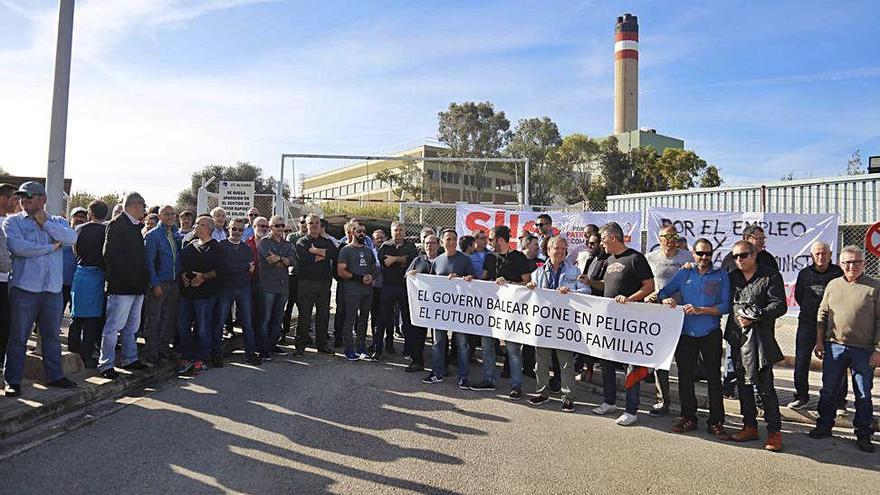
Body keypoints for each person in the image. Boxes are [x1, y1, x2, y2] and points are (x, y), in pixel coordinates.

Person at [2, 181, 78, 396]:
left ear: (42, 199)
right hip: (24, 289)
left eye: (30, 196)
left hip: (52, 290)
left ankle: (55, 376)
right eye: (22, 197)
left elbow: (72, 238)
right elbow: (19, 248)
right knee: (19, 337)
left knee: (52, 336)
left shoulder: (56, 221)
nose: (24, 200)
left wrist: (46, 225)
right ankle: (13, 380)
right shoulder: (13, 222)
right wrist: (50, 247)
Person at [653, 238, 731, 440]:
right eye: (700, 253)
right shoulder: (684, 272)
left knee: (714, 378)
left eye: (708, 254)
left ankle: (716, 421)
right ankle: (688, 417)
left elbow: (724, 306)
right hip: (686, 333)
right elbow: (663, 292)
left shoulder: (721, 275)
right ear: (693, 254)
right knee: (685, 378)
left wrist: (701, 310)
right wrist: (666, 299)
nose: (704, 257)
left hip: (710, 332)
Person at [809, 246, 880, 453]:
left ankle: (864, 433)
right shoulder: (833, 285)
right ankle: (824, 425)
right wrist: (820, 342)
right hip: (834, 348)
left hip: (863, 350)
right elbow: (822, 314)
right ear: (840, 264)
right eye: (847, 262)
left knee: (863, 393)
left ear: (863, 264)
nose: (852, 266)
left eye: (856, 262)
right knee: (828, 390)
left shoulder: (874, 287)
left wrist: (877, 349)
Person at [724, 240, 787, 452]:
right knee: (742, 386)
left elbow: (780, 305)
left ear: (754, 255)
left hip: (760, 340)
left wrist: (756, 315)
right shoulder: (732, 277)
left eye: (743, 255)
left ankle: (774, 432)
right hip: (737, 339)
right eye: (735, 256)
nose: (738, 260)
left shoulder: (770, 275)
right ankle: (749, 426)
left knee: (765, 388)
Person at [592, 222, 654, 426]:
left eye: (602, 239)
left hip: (631, 321)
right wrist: (588, 282)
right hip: (610, 320)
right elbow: (607, 285)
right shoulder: (608, 259)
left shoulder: (635, 258)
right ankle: (609, 401)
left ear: (612, 238)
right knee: (606, 360)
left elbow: (649, 286)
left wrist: (630, 299)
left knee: (631, 365)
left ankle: (631, 409)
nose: (601, 243)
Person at [526, 236, 590, 411]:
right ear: (548, 250)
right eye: (557, 248)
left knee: (566, 362)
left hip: (565, 324)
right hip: (544, 323)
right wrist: (530, 288)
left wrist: (571, 292)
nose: (561, 252)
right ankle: (542, 392)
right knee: (541, 360)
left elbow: (586, 291)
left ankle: (568, 397)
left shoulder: (575, 271)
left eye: (563, 249)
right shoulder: (537, 273)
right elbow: (531, 295)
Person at [470, 226, 532, 397]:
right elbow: (483, 280)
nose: (488, 243)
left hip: (512, 311)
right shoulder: (490, 257)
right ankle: (488, 380)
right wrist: (471, 281)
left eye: (491, 239)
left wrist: (509, 283)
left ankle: (516, 385)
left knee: (512, 349)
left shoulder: (519, 258)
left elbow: (528, 283)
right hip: (491, 310)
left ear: (500, 240)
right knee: (487, 345)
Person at [720, 224, 779, 398]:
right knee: (733, 357)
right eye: (758, 239)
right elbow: (721, 285)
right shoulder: (730, 260)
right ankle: (729, 388)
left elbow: (775, 297)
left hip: (762, 325)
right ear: (746, 239)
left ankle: (759, 395)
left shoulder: (768, 261)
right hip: (737, 324)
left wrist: (759, 314)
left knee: (761, 362)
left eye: (763, 239)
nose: (762, 242)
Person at [98, 192, 149, 379]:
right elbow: (111, 256)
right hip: (122, 287)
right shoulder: (117, 224)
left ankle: (130, 358)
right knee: (113, 327)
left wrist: (141, 281)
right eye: (143, 205)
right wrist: (130, 278)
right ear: (135, 205)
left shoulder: (136, 227)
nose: (144, 209)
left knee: (132, 327)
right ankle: (106, 364)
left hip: (136, 287)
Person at [644, 225, 693, 417]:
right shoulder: (650, 258)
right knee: (660, 361)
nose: (670, 240)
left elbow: (692, 283)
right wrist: (649, 296)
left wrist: (677, 298)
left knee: (684, 361)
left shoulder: (688, 257)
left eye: (674, 236)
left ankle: (687, 405)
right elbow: (647, 283)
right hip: (659, 314)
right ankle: (662, 401)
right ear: (659, 237)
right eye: (666, 236)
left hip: (682, 313)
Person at [789, 242, 845, 410]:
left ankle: (839, 402)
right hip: (807, 323)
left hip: (833, 326)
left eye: (824, 253)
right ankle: (801, 396)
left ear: (830, 254)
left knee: (837, 363)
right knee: (801, 361)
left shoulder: (838, 273)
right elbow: (799, 295)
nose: (821, 257)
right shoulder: (804, 274)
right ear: (812, 256)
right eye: (817, 254)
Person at [421, 229, 476, 387]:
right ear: (442, 242)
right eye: (448, 239)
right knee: (438, 342)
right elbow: (431, 283)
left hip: (460, 310)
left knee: (462, 344)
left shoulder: (465, 260)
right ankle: (437, 373)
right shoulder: (438, 261)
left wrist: (465, 279)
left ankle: (463, 376)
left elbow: (474, 281)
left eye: (453, 239)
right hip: (440, 310)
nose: (451, 242)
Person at [176, 214, 222, 375]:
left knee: (202, 328)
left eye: (198, 224)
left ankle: (202, 359)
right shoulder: (190, 245)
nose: (194, 226)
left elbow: (221, 270)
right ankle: (187, 357)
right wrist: (182, 274)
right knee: (183, 326)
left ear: (207, 228)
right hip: (186, 294)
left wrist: (203, 277)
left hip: (205, 295)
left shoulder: (217, 248)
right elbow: (181, 263)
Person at [68, 200, 108, 368]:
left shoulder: (79, 229)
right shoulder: (107, 231)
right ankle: (87, 355)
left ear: (90, 213)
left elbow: (75, 251)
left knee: (76, 315)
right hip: (99, 275)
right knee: (93, 318)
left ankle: (73, 350)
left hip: (81, 273)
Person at [218, 217, 262, 365]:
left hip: (244, 287)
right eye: (234, 229)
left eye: (240, 229)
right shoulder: (221, 246)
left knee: (247, 322)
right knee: (220, 321)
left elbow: (251, 268)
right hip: (225, 288)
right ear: (228, 229)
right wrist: (242, 267)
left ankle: (250, 353)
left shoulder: (246, 248)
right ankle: (216, 354)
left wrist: (237, 267)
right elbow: (223, 267)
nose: (236, 232)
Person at [142, 205, 181, 364]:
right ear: (159, 216)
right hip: (160, 283)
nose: (170, 216)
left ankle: (164, 348)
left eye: (172, 214)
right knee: (154, 318)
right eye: (166, 214)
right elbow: (148, 262)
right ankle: (151, 351)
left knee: (169, 318)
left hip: (174, 282)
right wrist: (155, 283)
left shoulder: (175, 234)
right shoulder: (153, 235)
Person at [294, 214, 336, 355]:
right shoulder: (302, 242)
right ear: (306, 225)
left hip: (324, 283)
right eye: (311, 223)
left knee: (323, 315)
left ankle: (322, 344)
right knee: (305, 316)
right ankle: (300, 346)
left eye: (317, 223)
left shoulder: (327, 241)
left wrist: (316, 252)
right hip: (306, 283)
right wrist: (322, 255)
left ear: (320, 225)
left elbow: (334, 254)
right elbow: (305, 259)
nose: (314, 225)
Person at [337, 222, 377, 361]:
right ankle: (349, 350)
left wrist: (372, 276)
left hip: (367, 292)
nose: (362, 234)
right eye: (359, 231)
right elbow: (341, 271)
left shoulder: (368, 250)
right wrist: (359, 278)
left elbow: (374, 267)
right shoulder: (346, 250)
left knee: (364, 320)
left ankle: (361, 348)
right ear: (352, 232)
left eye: (363, 231)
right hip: (352, 291)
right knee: (350, 320)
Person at [257, 215, 294, 358]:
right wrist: (284, 260)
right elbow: (270, 260)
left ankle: (272, 344)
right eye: (276, 226)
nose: (280, 228)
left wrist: (280, 258)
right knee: (265, 319)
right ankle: (263, 348)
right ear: (270, 228)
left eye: (282, 225)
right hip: (268, 286)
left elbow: (293, 261)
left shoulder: (287, 244)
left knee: (278, 318)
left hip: (283, 285)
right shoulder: (264, 242)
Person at [406, 234, 440, 372]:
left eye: (432, 243)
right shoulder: (418, 260)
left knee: (438, 337)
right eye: (426, 243)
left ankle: (440, 365)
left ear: (438, 245)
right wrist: (410, 274)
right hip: (422, 306)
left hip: (439, 306)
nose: (429, 246)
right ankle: (417, 362)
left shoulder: (443, 260)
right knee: (418, 334)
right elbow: (406, 276)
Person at [283, 215, 308, 342]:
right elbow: (292, 252)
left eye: (306, 222)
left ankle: (303, 334)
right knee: (288, 305)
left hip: (306, 277)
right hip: (293, 275)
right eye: (302, 222)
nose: (304, 224)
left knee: (304, 307)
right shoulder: (292, 237)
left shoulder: (312, 238)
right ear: (299, 223)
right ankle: (284, 333)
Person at [0, 183, 17, 362]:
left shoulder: (11, 223)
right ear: (3, 199)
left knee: (5, 323)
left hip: (8, 281)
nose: (17, 203)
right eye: (14, 199)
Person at [369, 229, 387, 355]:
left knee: (388, 318)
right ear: (373, 240)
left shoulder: (389, 251)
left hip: (386, 288)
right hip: (373, 289)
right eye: (377, 238)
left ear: (385, 238)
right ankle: (375, 343)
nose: (379, 239)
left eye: (381, 237)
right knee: (374, 316)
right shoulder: (369, 253)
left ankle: (389, 343)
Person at [577, 233, 608, 297]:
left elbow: (608, 285)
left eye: (592, 243)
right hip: (587, 300)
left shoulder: (609, 260)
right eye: (588, 242)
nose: (589, 245)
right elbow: (583, 281)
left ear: (601, 244)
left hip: (601, 301)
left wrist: (589, 282)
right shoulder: (590, 260)